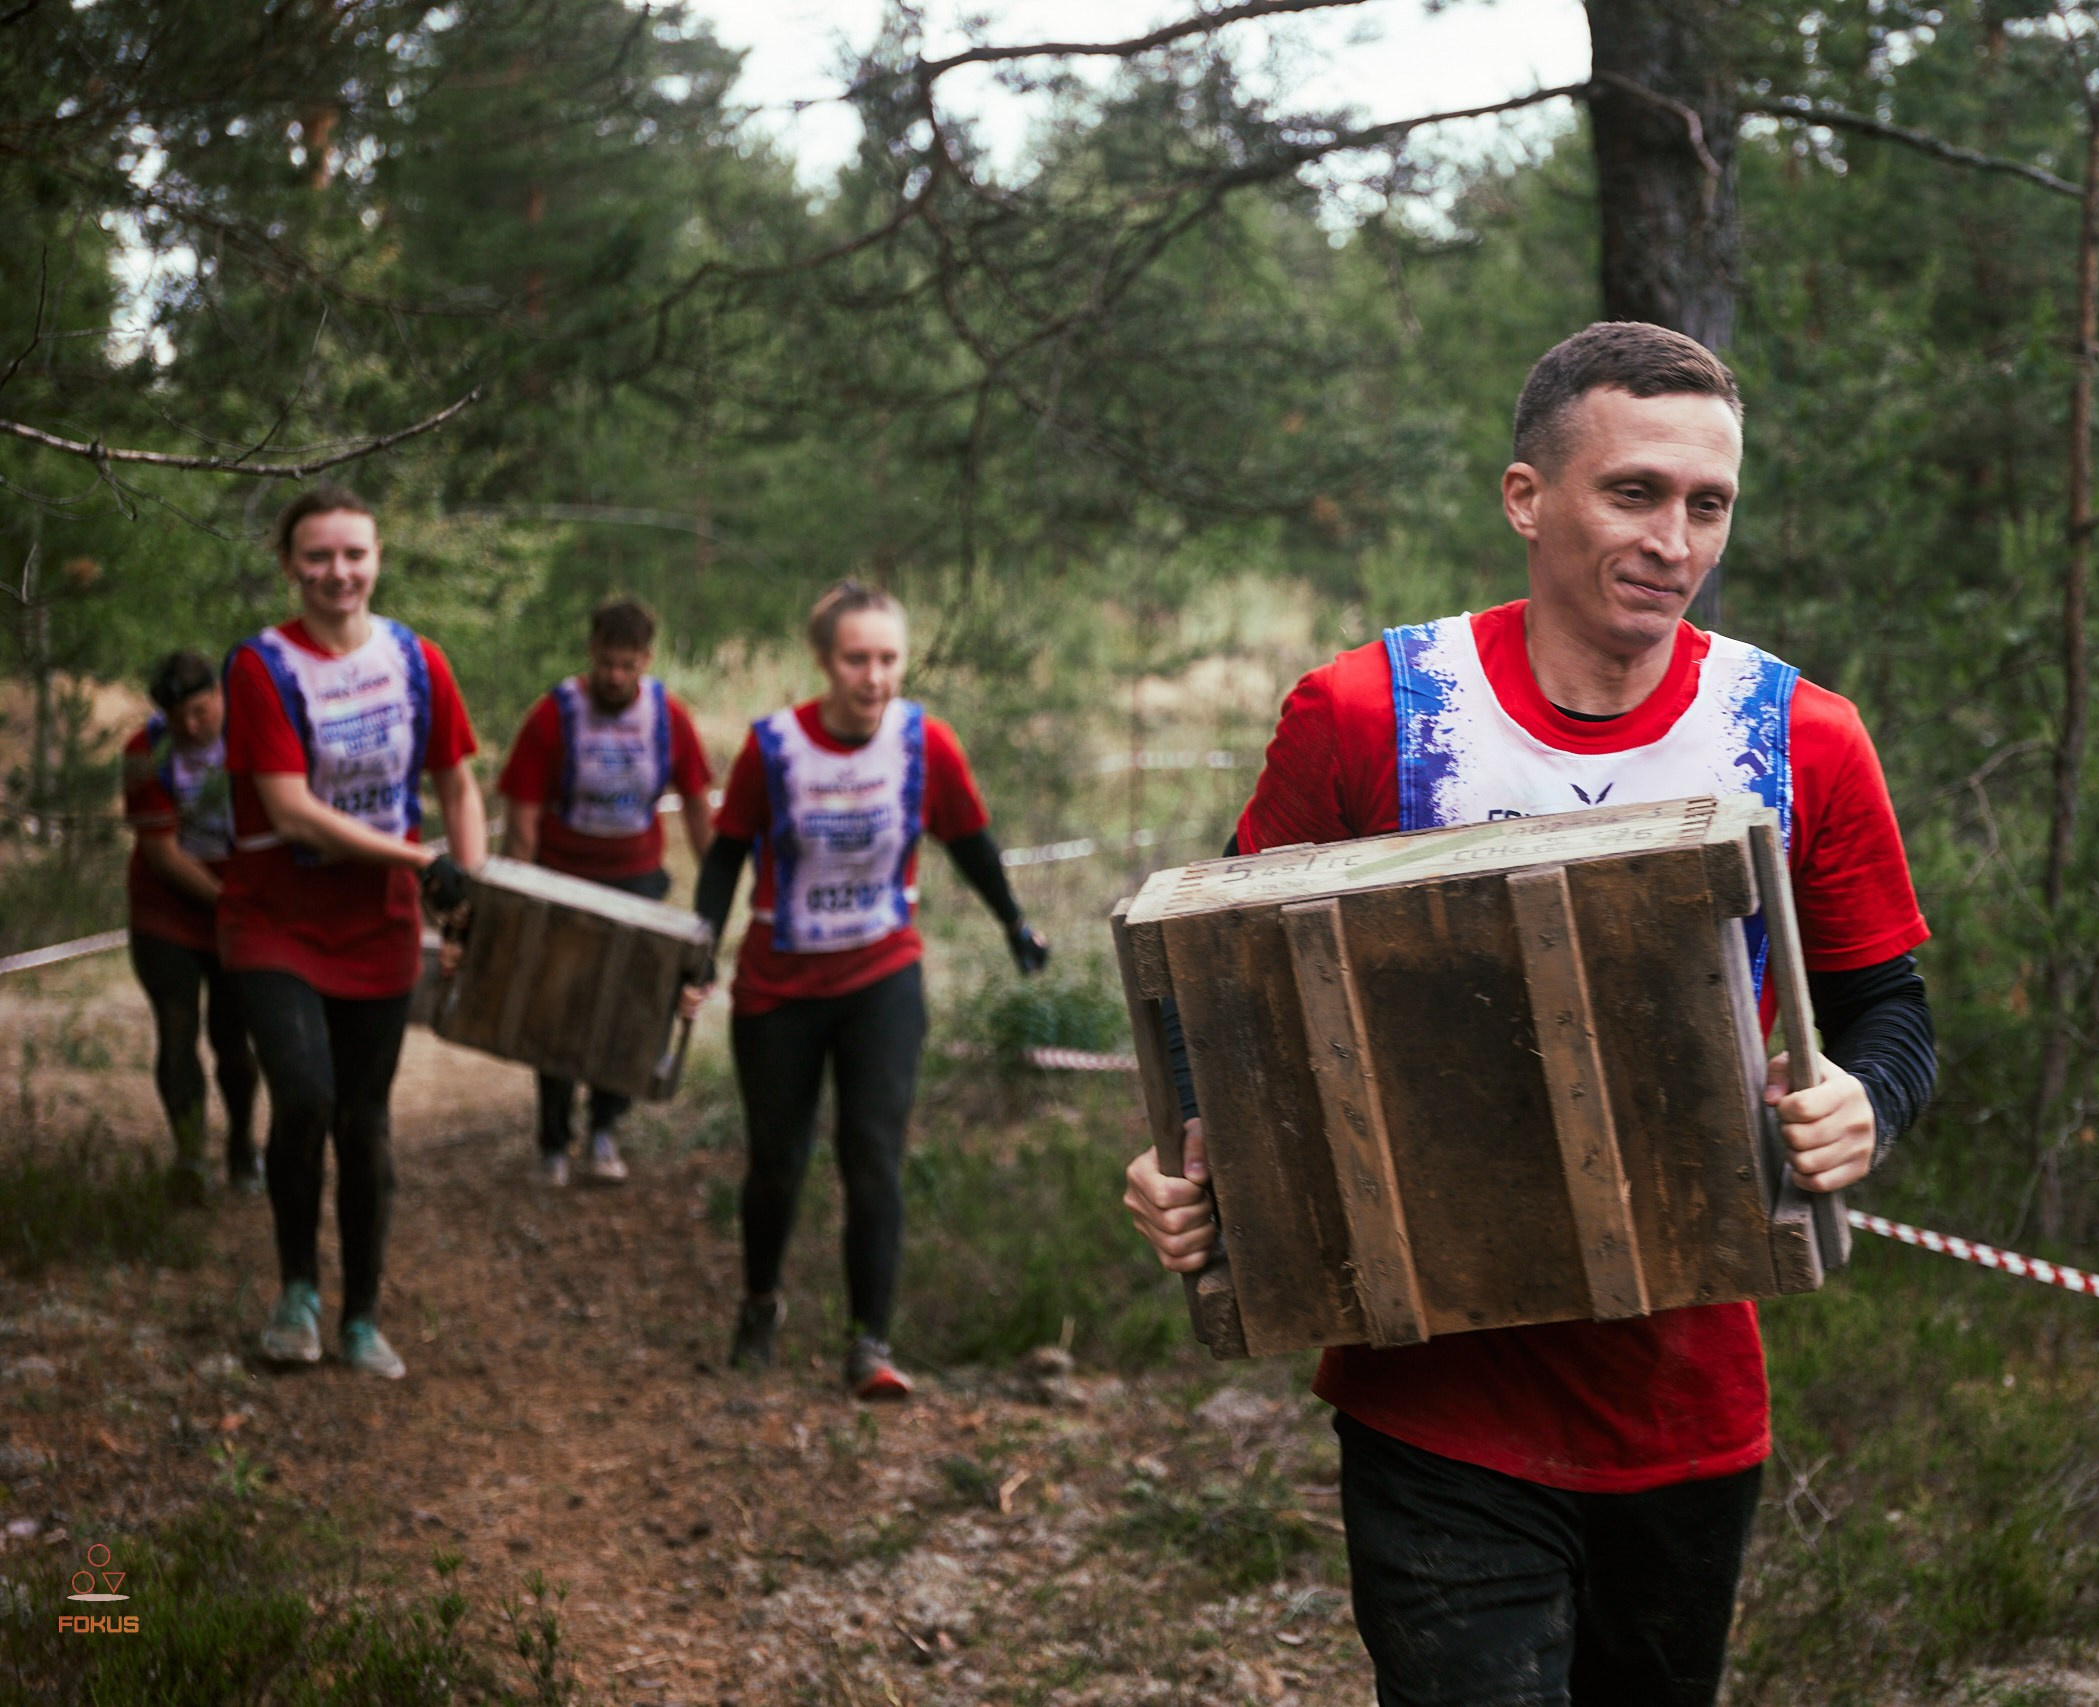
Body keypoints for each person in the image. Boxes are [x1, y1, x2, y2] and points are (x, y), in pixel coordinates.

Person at [1122, 323, 1938, 1703]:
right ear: (1525, 497)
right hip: (1433, 1396)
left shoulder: (1804, 735)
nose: (1673, 538)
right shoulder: (1367, 709)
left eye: (1707, 503)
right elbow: (1219, 983)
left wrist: (1868, 1100)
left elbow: (1890, 1010)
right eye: (1633, 491)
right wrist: (1190, 1153)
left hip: (1688, 1404)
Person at [689, 580, 1048, 1399]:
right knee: (778, 1161)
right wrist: (697, 950)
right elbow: (723, 857)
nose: (874, 676)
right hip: (779, 988)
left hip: (882, 976)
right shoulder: (773, 747)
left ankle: (869, 1344)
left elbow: (970, 841)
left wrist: (1014, 923)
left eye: (888, 658)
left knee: (873, 1156)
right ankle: (760, 1303)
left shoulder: (927, 744)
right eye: (857, 658)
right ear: (824, 660)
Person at [221, 484, 486, 1381]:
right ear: (290, 566)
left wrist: (469, 890)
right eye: (318, 556)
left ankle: (363, 1315)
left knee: (365, 1124)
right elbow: (291, 813)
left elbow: (456, 782)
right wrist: (419, 862)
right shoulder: (260, 667)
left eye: (354, 554)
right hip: (275, 924)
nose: (338, 572)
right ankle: (297, 1289)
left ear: (377, 558)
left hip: (376, 928)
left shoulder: (416, 659)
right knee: (303, 1096)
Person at [495, 597, 716, 1186]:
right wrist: (517, 896)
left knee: (630, 1011)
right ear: (591, 652)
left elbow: (697, 805)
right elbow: (522, 816)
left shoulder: (669, 717)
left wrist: (713, 891)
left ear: (645, 660)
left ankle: (605, 1129)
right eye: (606, 663)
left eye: (627, 665)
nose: (615, 677)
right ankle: (552, 1141)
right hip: (563, 879)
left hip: (638, 881)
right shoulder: (553, 716)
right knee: (558, 1009)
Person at [121, 649, 260, 1200]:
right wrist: (225, 901)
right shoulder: (145, 751)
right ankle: (190, 1157)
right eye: (180, 720)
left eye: (203, 712)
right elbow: (160, 853)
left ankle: (244, 1147)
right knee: (177, 1029)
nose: (193, 727)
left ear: (222, 695)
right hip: (168, 909)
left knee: (234, 1036)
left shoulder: (253, 734)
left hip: (239, 906)